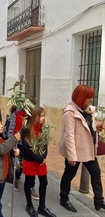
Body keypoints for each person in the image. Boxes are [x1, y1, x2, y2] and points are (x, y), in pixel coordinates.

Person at [59, 84, 105, 212]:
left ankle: (99, 201)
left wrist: (98, 127)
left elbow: (89, 126)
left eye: (91, 97)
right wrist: (71, 156)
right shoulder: (70, 112)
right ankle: (64, 198)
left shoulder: (88, 110)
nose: (91, 100)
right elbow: (69, 136)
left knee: (96, 173)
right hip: (75, 149)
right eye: (88, 97)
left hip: (88, 149)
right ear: (81, 97)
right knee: (69, 174)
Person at [21, 107, 56, 217]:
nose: (42, 118)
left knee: (44, 182)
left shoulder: (43, 129)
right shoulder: (26, 129)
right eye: (40, 116)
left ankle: (42, 207)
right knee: (29, 181)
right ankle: (29, 205)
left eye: (43, 116)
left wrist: (43, 156)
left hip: (40, 160)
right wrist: (38, 158)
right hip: (30, 159)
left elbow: (45, 144)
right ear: (34, 116)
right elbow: (26, 148)